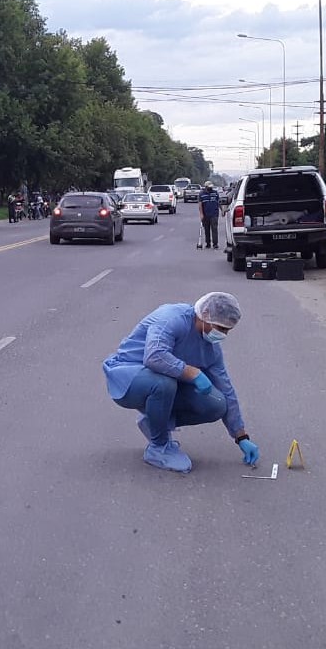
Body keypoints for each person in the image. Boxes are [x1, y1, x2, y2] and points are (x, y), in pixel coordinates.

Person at [102, 292, 258, 474]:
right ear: (205, 315)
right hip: (128, 376)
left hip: (165, 381)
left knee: (217, 404)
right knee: (163, 383)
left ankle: (155, 422)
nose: (222, 335)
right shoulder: (172, 318)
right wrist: (193, 373)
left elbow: (227, 390)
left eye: (226, 331)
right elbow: (154, 356)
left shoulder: (211, 350)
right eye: (220, 328)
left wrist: (241, 436)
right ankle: (158, 447)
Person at [197, 181, 221, 250]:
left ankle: (215, 244)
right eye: (209, 187)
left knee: (214, 229)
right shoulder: (202, 194)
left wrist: (222, 210)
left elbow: (218, 202)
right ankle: (208, 243)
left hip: (214, 214)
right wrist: (201, 214)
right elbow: (200, 205)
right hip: (206, 214)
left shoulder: (215, 193)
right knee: (206, 229)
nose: (211, 188)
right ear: (206, 187)